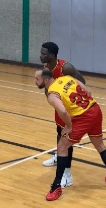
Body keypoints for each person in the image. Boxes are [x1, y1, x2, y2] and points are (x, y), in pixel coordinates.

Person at [34, 68, 106, 201]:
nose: (35, 82)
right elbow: (87, 90)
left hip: (83, 117)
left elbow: (62, 111)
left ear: (45, 80)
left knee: (62, 147)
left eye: (37, 79)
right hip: (95, 109)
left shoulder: (52, 95)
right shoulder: (66, 78)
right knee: (99, 144)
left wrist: (69, 126)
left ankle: (56, 187)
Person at [39, 42, 88, 188]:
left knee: (67, 138)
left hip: (69, 107)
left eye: (43, 53)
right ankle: (58, 157)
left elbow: (82, 81)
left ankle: (67, 174)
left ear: (52, 55)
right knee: (59, 132)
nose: (40, 55)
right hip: (59, 105)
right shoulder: (47, 67)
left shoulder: (65, 67)